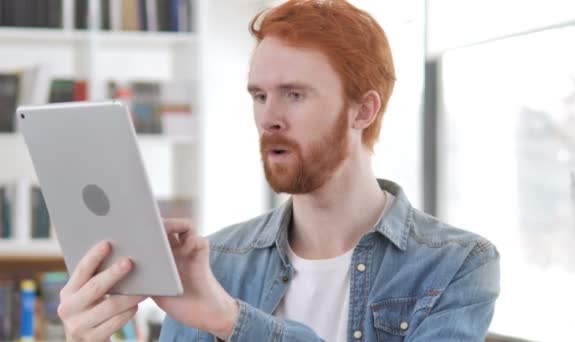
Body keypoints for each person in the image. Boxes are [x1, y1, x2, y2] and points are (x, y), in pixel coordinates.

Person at [57, 1, 500, 341]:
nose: (269, 118)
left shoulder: (456, 263)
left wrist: (231, 322)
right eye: (259, 95)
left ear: (363, 110)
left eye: (294, 94)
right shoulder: (217, 262)